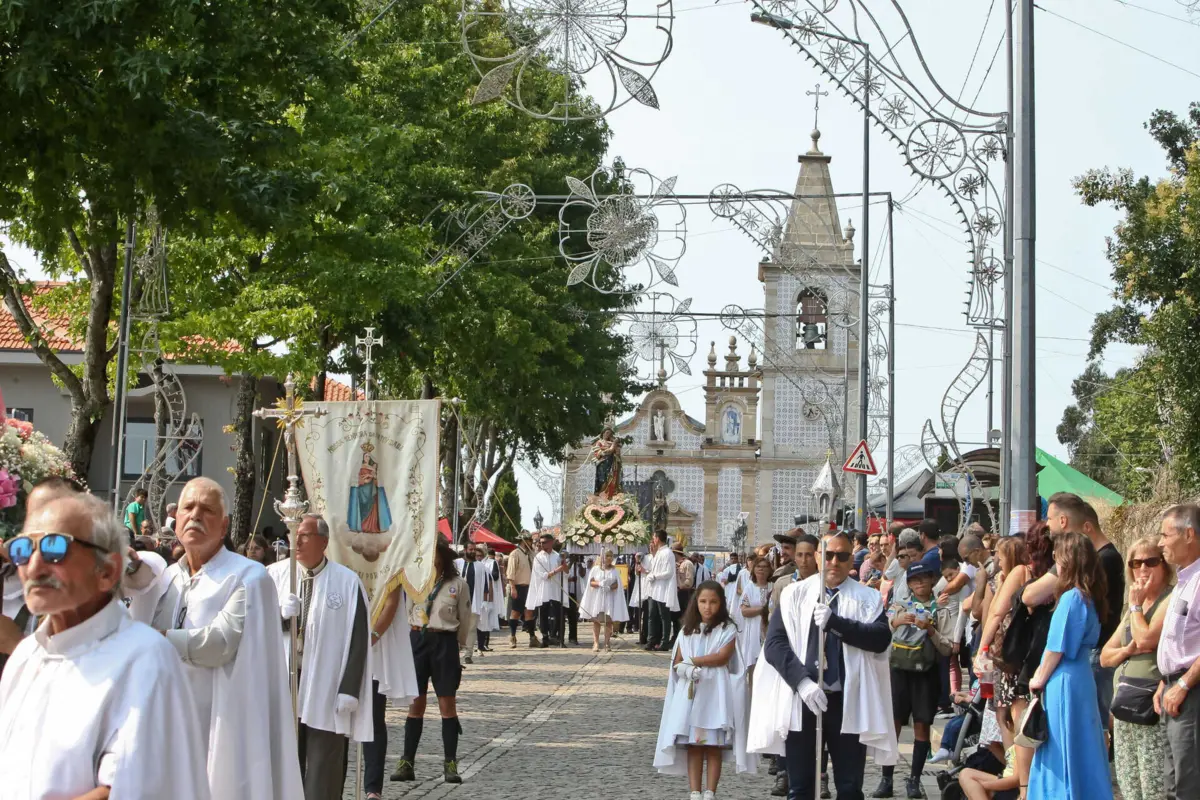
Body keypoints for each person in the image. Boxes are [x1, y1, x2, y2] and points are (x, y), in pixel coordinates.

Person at [0, 492, 210, 798]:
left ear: (108, 571)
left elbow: (125, 791)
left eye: (54, 548)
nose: (34, 567)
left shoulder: (144, 658)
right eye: (22, 550)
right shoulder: (26, 656)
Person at [143, 476, 303, 799]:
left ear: (225, 524)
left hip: (220, 723)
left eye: (207, 510)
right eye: (188, 507)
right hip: (166, 718)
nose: (195, 516)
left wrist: (156, 640)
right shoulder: (165, 578)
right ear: (175, 521)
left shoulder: (248, 576)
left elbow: (220, 644)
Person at [752, 531, 897, 800]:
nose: (834, 562)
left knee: (849, 787)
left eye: (841, 556)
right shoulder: (795, 593)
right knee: (800, 787)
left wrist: (836, 623)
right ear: (818, 556)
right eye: (828, 555)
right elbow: (774, 644)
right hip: (804, 699)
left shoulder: (867, 597)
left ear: (851, 559)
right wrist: (802, 682)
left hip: (846, 700)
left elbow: (880, 638)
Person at [268, 514, 372, 800]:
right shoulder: (272, 576)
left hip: (325, 684)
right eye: (293, 535)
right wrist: (277, 617)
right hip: (284, 682)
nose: (296, 541)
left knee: (322, 767)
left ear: (323, 542)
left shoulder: (347, 583)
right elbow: (251, 630)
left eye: (304, 535)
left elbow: (358, 639)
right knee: (282, 761)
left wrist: (349, 689)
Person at [1020, 493, 1125, 737]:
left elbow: (1031, 599)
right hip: (1086, 661)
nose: (1048, 525)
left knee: (1087, 731)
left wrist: (1039, 678)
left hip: (1087, 661)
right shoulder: (1081, 589)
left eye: (1051, 519)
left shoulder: (1079, 591)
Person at [1026, 532, 1113, 799]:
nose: (1055, 562)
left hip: (1064, 679)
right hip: (1081, 678)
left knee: (1061, 747)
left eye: (1057, 556)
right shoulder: (1091, 597)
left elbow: (1056, 648)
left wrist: (1037, 679)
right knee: (1083, 743)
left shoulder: (1072, 598)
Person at [654, 581, 756, 798]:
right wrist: (686, 669)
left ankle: (710, 791)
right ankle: (694, 791)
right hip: (692, 694)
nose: (707, 607)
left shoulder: (727, 629)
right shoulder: (686, 630)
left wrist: (694, 661)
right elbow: (677, 661)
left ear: (721, 604)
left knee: (713, 745)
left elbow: (722, 657)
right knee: (694, 745)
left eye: (713, 602)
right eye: (703, 601)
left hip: (715, 695)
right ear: (696, 603)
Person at [392, 538, 472, 785]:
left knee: (447, 705)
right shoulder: (414, 581)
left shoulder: (457, 584)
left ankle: (450, 763)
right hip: (418, 641)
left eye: (432, 552)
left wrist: (460, 648)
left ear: (442, 554)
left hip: (444, 643)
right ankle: (407, 762)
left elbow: (465, 620)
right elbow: (406, 611)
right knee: (415, 705)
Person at [1099, 535, 1171, 800]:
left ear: (1164, 564)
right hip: (1125, 705)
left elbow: (1146, 638)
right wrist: (1128, 650)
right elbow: (1106, 656)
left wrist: (1137, 606)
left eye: (1150, 561)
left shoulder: (1168, 600)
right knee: (1129, 787)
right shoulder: (1133, 608)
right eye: (1135, 563)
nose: (1142, 569)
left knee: (1153, 788)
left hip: (1151, 706)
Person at [877, 561, 955, 798]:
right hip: (899, 671)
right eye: (915, 580)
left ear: (932, 580)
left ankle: (914, 779)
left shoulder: (941, 609)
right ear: (908, 583)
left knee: (922, 725)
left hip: (926, 675)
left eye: (924, 579)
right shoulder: (899, 606)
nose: (920, 583)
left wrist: (930, 630)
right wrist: (896, 622)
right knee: (894, 725)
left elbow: (948, 648)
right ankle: (886, 779)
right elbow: (882, 632)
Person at [765, 533, 821, 799]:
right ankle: (785, 773)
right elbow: (776, 626)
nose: (803, 560)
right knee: (790, 730)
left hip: (818, 672)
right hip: (790, 671)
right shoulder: (784, 584)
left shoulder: (826, 587)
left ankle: (822, 777)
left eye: (809, 555)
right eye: (799, 555)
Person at [1155, 503, 1200, 799]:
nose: (1160, 544)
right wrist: (1166, 679)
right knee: (1172, 783)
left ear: (1190, 534)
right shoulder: (1185, 580)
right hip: (1174, 691)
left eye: (1165, 535)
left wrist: (1183, 684)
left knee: (1187, 784)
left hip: (1190, 693)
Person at [364, 584, 418, 800]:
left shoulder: (388, 561)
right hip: (339, 647)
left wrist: (373, 636)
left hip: (376, 648)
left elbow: (391, 601)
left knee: (374, 719)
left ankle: (372, 788)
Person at [580, 549, 629, 652]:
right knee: (597, 621)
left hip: (609, 597)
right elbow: (591, 582)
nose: (609, 558)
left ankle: (607, 642)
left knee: (608, 622)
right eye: (607, 556)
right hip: (598, 597)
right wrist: (599, 584)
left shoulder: (614, 570)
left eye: (611, 556)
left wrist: (610, 587)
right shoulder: (596, 569)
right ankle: (596, 643)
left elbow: (617, 584)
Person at [527, 533, 569, 647]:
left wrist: (564, 566)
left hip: (556, 590)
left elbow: (566, 573)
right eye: (540, 542)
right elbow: (542, 575)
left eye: (544, 542)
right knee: (543, 614)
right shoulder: (538, 558)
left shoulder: (557, 556)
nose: (542, 544)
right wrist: (556, 570)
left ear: (551, 542)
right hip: (543, 589)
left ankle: (558, 637)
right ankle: (545, 637)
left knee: (558, 613)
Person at [733, 556, 771, 671]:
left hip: (769, 629)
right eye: (759, 566)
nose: (761, 569)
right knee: (753, 668)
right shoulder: (750, 587)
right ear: (754, 569)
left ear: (769, 570)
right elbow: (744, 611)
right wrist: (762, 609)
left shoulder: (773, 586)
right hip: (753, 630)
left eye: (765, 567)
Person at [453, 543, 489, 664]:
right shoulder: (457, 563)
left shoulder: (480, 566)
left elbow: (485, 585)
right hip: (457, 603)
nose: (473, 551)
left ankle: (468, 653)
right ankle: (455, 652)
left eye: (474, 550)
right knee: (455, 627)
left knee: (472, 629)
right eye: (471, 549)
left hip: (474, 602)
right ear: (465, 550)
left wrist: (484, 601)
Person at [645, 530, 680, 651]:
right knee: (651, 615)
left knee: (664, 616)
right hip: (654, 589)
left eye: (654, 537)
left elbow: (669, 572)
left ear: (658, 538)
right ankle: (651, 640)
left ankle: (664, 641)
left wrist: (655, 576)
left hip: (663, 589)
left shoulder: (667, 553)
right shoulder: (658, 553)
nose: (653, 540)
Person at [507, 532, 534, 647]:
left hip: (530, 587)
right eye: (529, 540)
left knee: (529, 612)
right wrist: (513, 588)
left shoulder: (530, 554)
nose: (531, 542)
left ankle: (532, 638)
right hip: (518, 586)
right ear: (524, 541)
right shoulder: (515, 554)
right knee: (515, 612)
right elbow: (511, 572)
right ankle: (512, 636)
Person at [674, 544, 697, 643]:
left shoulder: (687, 564)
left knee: (683, 615)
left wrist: (681, 586)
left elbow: (689, 581)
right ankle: (676, 636)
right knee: (675, 616)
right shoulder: (675, 564)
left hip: (684, 593)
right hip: (676, 593)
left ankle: (683, 637)